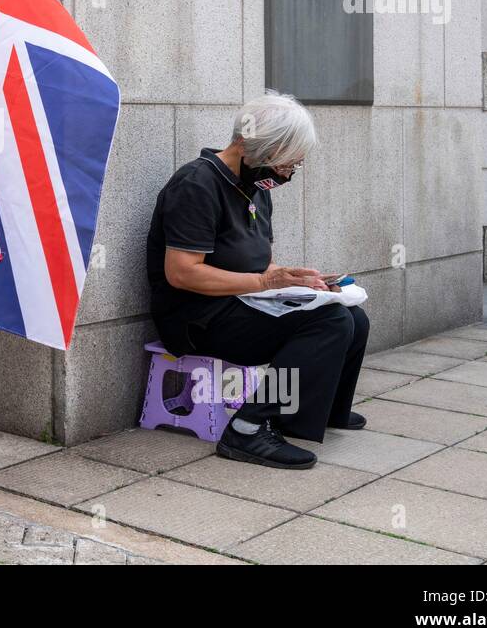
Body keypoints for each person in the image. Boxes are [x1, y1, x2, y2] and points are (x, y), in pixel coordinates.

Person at [145, 92, 370, 469]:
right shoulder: (197, 185)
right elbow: (181, 273)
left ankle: (318, 409)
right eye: (285, 165)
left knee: (350, 315)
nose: (287, 175)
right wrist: (268, 283)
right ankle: (247, 429)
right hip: (197, 318)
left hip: (241, 304)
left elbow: (261, 266)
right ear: (261, 149)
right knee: (328, 323)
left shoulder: (254, 189)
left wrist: (296, 281)